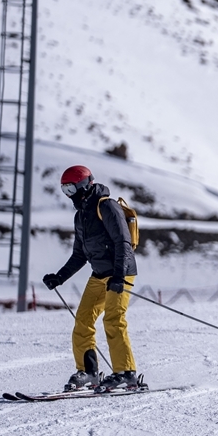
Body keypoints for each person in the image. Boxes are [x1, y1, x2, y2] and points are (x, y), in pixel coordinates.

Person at [42, 165, 141, 392]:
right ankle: (88, 372)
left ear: (84, 185)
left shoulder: (107, 207)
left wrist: (118, 276)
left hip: (121, 272)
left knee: (113, 320)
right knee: (83, 320)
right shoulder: (81, 216)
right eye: (64, 191)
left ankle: (126, 373)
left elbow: (123, 244)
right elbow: (79, 255)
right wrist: (59, 277)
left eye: (70, 189)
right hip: (99, 276)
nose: (69, 195)